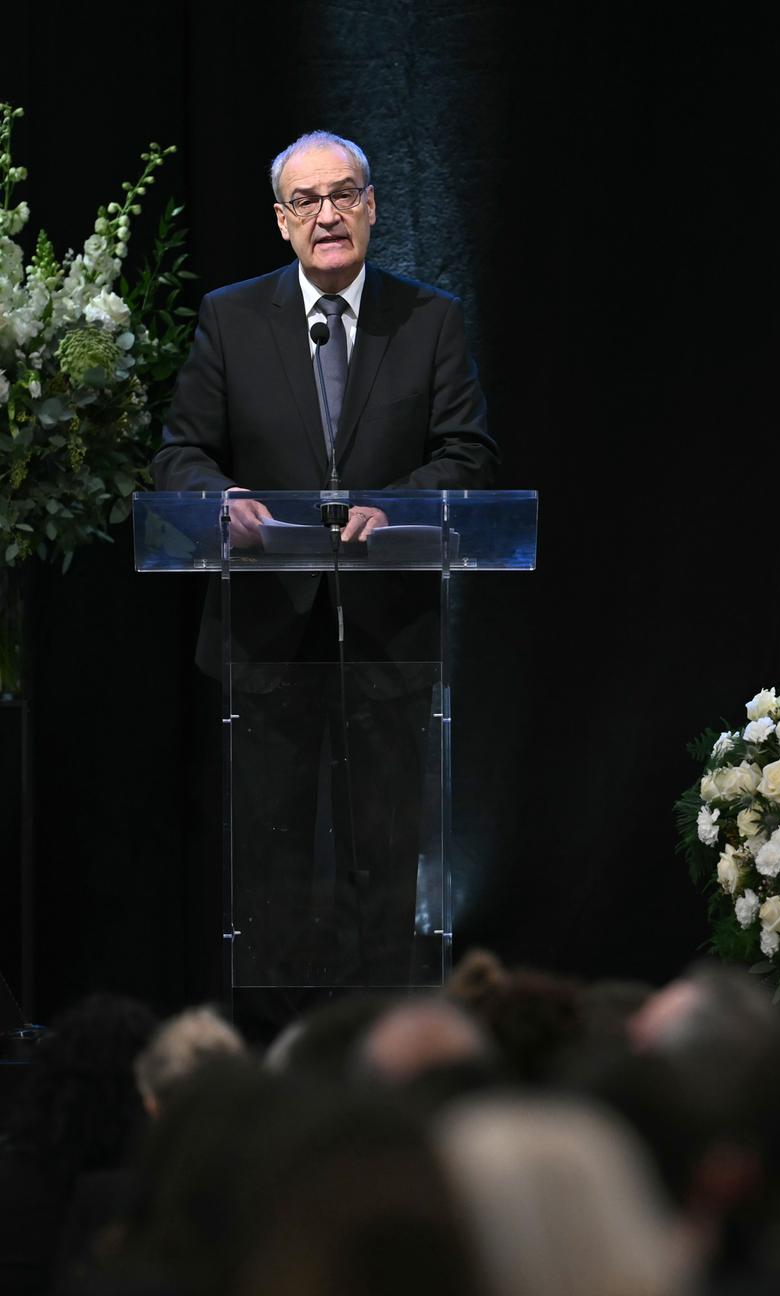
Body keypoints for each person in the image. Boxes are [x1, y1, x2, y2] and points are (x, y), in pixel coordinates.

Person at [152, 130, 499, 998]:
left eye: (344, 194)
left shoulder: (428, 319)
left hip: (390, 639)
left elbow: (467, 453)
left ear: (373, 206)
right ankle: (278, 1044)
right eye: (306, 201)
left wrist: (403, 506)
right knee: (271, 853)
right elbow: (180, 453)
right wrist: (221, 500)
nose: (328, 214)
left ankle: (386, 1036)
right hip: (266, 637)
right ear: (281, 221)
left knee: (385, 854)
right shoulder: (232, 319)